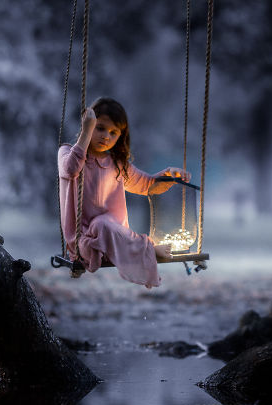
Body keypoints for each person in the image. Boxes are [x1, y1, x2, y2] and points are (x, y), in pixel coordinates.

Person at [58, 97, 190, 287]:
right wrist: (86, 131)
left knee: (104, 223)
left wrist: (169, 175)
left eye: (113, 133)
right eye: (100, 128)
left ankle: (139, 248)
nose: (106, 136)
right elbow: (71, 169)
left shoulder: (117, 164)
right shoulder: (68, 152)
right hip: (84, 244)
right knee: (101, 225)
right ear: (88, 125)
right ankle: (149, 249)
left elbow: (147, 185)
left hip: (113, 236)